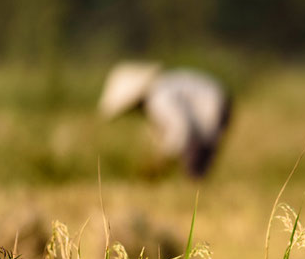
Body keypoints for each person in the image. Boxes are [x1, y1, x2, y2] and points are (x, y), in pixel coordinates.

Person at [98, 62, 232, 178]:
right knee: (198, 156)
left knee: (196, 157)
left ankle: (196, 188)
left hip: (213, 107)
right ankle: (197, 187)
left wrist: (163, 160)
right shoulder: (160, 90)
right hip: (217, 102)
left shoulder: (158, 99)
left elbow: (182, 129)